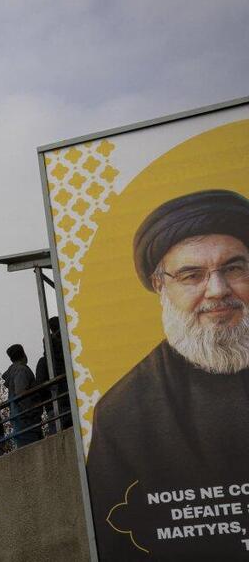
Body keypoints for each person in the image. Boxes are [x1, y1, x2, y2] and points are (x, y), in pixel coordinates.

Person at [86, 190, 249, 560]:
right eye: (192, 275)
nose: (219, 290)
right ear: (161, 285)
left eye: (235, 268)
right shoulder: (122, 413)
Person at [34, 316, 73, 430]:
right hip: (72, 402)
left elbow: (39, 387)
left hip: (55, 407)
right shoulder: (69, 355)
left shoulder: (44, 361)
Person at [2, 343, 43, 447]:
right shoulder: (21, 370)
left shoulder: (14, 371)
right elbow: (21, 393)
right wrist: (32, 413)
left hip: (20, 418)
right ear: (23, 354)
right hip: (26, 420)